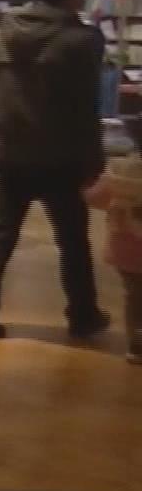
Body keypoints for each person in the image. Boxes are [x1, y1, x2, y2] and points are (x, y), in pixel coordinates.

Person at [0, 0, 109, 340]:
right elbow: (85, 107)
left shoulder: (0, 35)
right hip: (62, 155)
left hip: (12, 153)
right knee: (73, 239)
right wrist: (95, 159)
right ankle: (83, 316)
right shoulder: (82, 40)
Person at [85, 150, 142, 362]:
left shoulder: (119, 169)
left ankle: (137, 347)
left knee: (134, 297)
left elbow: (95, 198)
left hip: (127, 249)